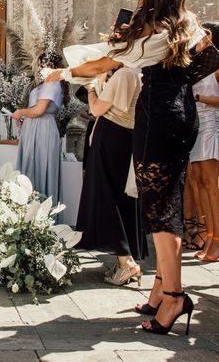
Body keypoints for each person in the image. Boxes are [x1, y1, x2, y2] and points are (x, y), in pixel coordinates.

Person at [46, 0, 207, 335]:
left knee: (160, 211)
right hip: (183, 114)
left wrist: (63, 73)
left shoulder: (146, 30)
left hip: (157, 118)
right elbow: (202, 59)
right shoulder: (186, 21)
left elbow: (102, 63)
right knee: (167, 201)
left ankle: (174, 296)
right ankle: (157, 293)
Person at [75, 67, 148, 285]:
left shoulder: (125, 74)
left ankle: (126, 262)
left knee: (106, 198)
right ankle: (124, 258)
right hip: (122, 139)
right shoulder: (137, 73)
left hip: (112, 139)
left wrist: (91, 88)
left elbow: (97, 109)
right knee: (120, 198)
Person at [183, 22, 219, 261]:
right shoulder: (195, 62)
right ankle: (211, 236)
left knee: (213, 183)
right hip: (196, 124)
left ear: (211, 37)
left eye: (201, 33)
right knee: (200, 181)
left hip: (213, 123)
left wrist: (199, 97)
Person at [0, 53, 66, 205]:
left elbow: (39, 110)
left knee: (39, 167)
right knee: (32, 166)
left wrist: (22, 112)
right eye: (40, 64)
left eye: (43, 65)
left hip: (41, 129)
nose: (40, 68)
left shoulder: (51, 83)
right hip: (36, 127)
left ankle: (37, 214)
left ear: (53, 67)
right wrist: (25, 117)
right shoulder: (50, 83)